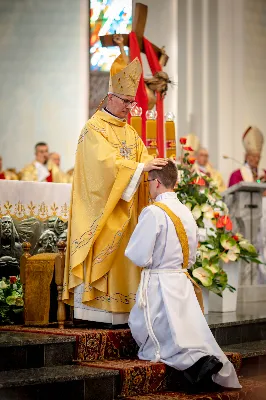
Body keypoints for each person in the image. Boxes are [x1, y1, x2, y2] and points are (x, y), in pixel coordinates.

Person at [63, 54, 167, 325]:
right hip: (103, 212)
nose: (129, 108)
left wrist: (153, 165)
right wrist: (137, 169)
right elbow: (102, 166)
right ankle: (96, 313)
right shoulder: (93, 129)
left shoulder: (130, 132)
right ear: (111, 97)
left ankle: (126, 313)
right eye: (126, 102)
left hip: (127, 209)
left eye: (132, 103)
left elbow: (141, 158)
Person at [125, 161, 241, 392]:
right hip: (181, 281)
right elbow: (191, 258)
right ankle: (203, 361)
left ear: (156, 182)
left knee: (161, 335)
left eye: (149, 182)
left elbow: (138, 255)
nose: (148, 187)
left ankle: (195, 366)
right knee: (187, 329)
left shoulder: (153, 212)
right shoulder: (186, 211)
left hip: (159, 284)